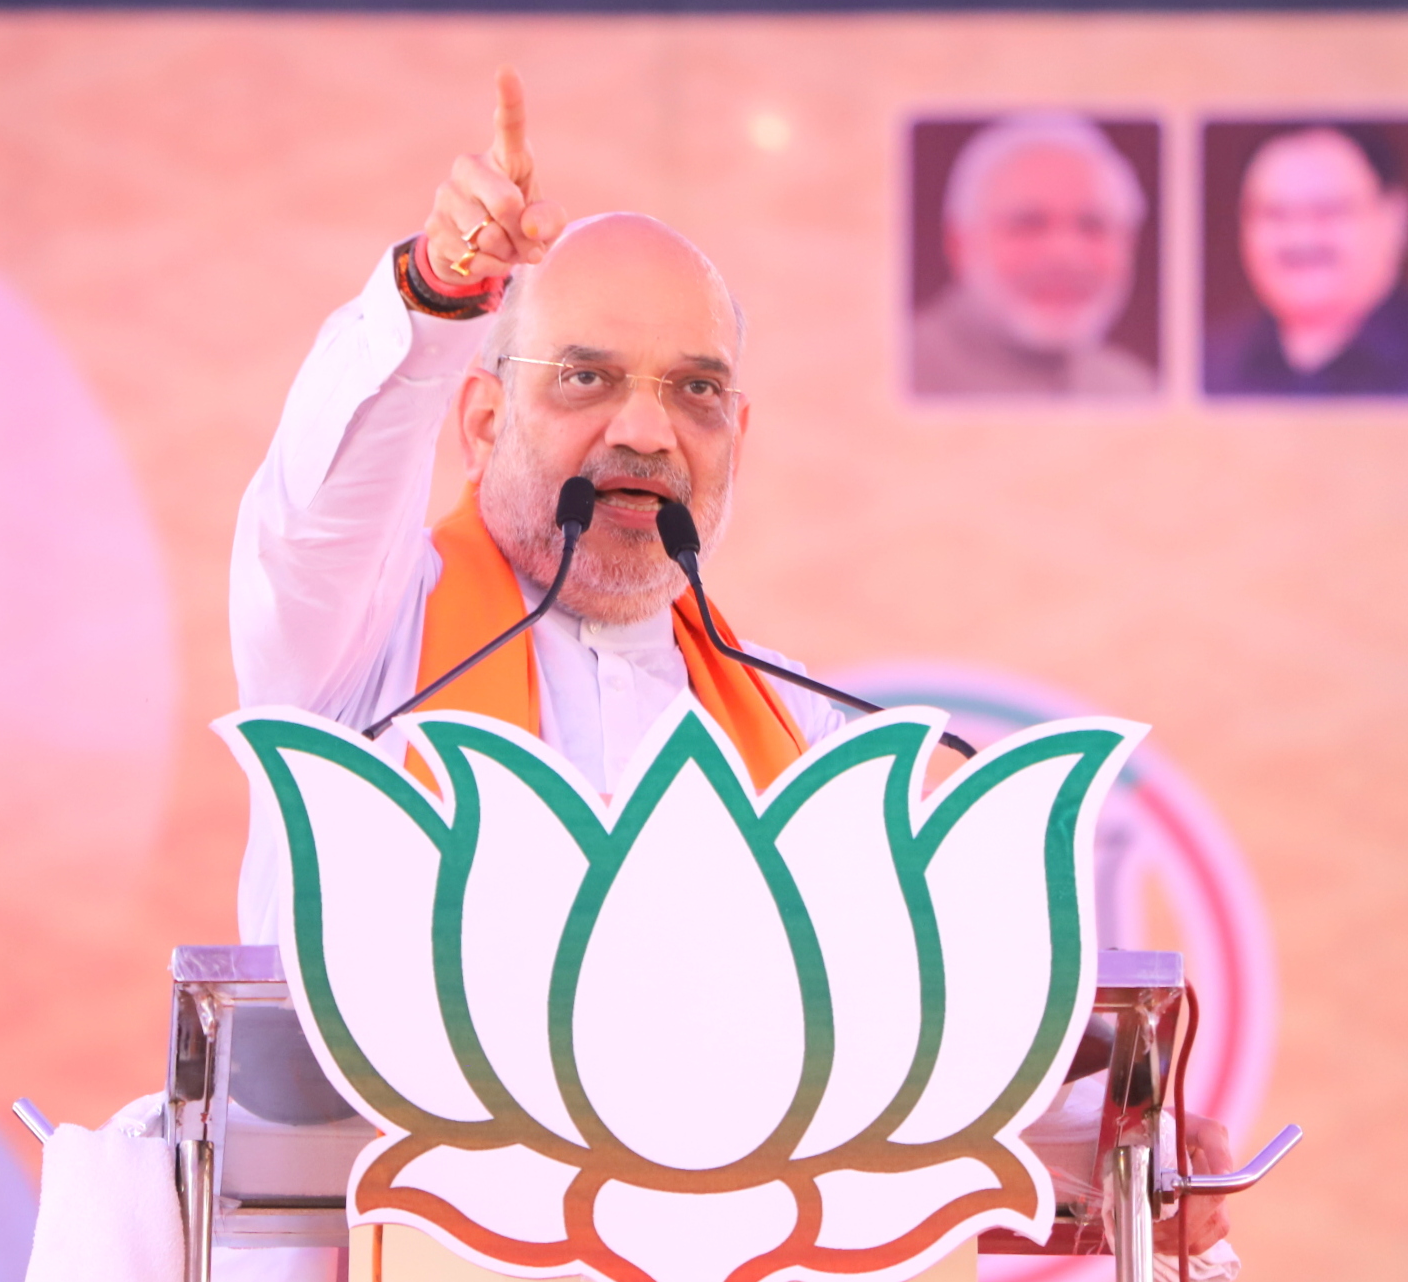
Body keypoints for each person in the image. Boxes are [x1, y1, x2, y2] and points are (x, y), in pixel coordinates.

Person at [231, 70, 1232, 1276]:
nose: (647, 432)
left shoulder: (797, 736)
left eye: (694, 391)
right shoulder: (362, 642)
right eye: (587, 378)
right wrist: (437, 297)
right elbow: (314, 517)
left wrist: (1118, 1145)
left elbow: (888, 1064)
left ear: (736, 442)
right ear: (484, 420)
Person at [911, 114, 1156, 398]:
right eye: (1028, 224)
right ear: (960, 245)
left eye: (1093, 226)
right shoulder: (891, 372)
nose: (1064, 255)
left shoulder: (1131, 390)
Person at [1205, 123, 1408, 397]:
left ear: (1396, 218)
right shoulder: (1207, 369)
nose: (1301, 238)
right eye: (1275, 214)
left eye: (1329, 211)